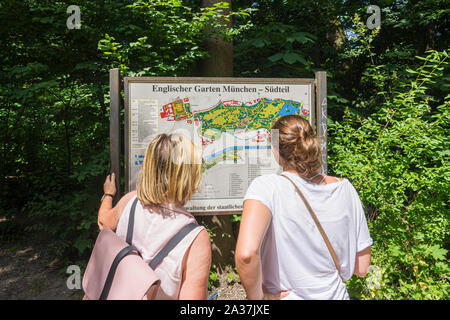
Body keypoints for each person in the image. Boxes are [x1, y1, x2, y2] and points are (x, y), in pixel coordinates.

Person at [235, 114, 372, 300]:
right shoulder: (344, 188)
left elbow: (246, 255)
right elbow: (362, 268)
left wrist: (258, 298)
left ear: (276, 151)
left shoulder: (265, 187)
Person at [97, 133, 211, 300]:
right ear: (189, 175)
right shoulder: (196, 238)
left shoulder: (130, 201)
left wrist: (108, 194)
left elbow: (103, 223)